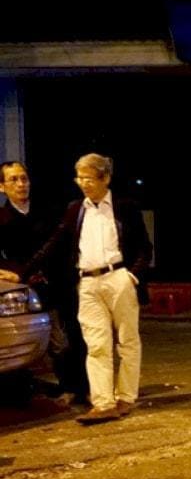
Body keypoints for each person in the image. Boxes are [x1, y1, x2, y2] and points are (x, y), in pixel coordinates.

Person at [1, 153, 151, 424]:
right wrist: (22, 273)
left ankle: (126, 397)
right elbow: (53, 244)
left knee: (127, 342)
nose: (83, 183)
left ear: (105, 178)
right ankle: (103, 402)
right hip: (88, 282)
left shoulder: (124, 207)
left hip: (118, 277)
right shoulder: (75, 209)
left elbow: (144, 247)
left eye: (89, 178)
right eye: (79, 178)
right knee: (96, 344)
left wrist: (132, 276)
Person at [0, 161, 89, 406]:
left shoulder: (47, 211)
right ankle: (69, 387)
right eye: (14, 180)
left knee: (78, 335)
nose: (21, 184)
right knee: (57, 341)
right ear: (2, 187)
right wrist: (14, 273)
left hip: (62, 280)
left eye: (24, 178)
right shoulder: (3, 219)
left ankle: (86, 388)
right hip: (33, 287)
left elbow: (61, 243)